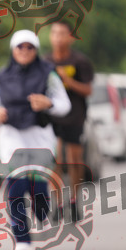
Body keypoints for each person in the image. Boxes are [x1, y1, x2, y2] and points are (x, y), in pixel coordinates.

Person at [0, 30, 71, 250]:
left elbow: (65, 104)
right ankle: (22, 238)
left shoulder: (48, 74)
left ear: (36, 50)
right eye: (20, 47)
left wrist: (48, 103)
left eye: (29, 47)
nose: (24, 51)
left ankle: (42, 211)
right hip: (11, 140)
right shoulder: (3, 76)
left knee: (38, 192)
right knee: (16, 190)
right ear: (13, 50)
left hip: (39, 138)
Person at [45, 20, 94, 222]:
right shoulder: (45, 62)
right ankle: (57, 204)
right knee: (54, 159)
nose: (58, 38)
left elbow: (88, 90)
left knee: (74, 159)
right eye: (54, 33)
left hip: (75, 116)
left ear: (70, 37)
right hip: (52, 117)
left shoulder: (80, 61)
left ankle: (74, 201)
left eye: (62, 33)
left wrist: (68, 81)